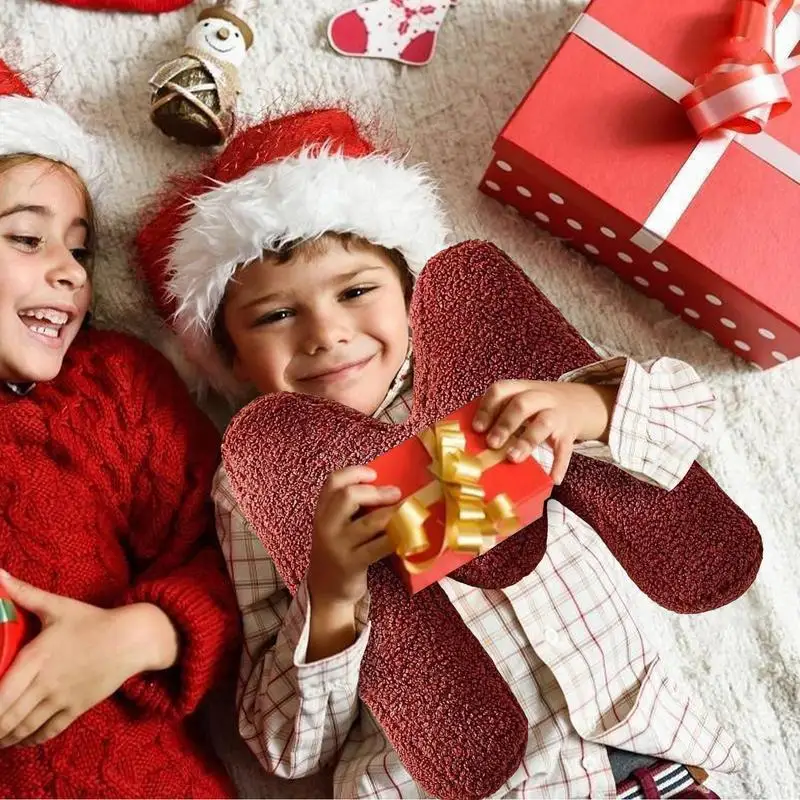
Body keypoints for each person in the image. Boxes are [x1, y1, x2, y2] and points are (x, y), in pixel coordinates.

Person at [137, 108, 736, 799]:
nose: (327, 334)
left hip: (643, 752)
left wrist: (590, 405)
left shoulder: (490, 370)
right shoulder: (251, 485)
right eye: (276, 315)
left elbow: (693, 412)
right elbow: (283, 743)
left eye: (356, 291)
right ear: (233, 359)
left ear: (412, 293)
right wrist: (330, 592)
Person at [0, 59, 239, 798]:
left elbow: (243, 560)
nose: (71, 272)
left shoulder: (112, 386)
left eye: (80, 247)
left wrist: (135, 635)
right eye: (26, 239)